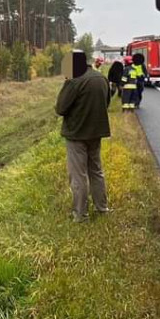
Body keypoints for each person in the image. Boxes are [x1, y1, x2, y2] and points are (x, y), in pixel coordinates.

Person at [55, 50, 112, 222]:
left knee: (78, 175)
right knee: (96, 170)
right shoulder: (101, 78)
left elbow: (60, 109)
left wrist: (66, 84)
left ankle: (80, 215)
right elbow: (107, 102)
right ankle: (102, 207)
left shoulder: (74, 81)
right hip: (96, 132)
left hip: (77, 134)